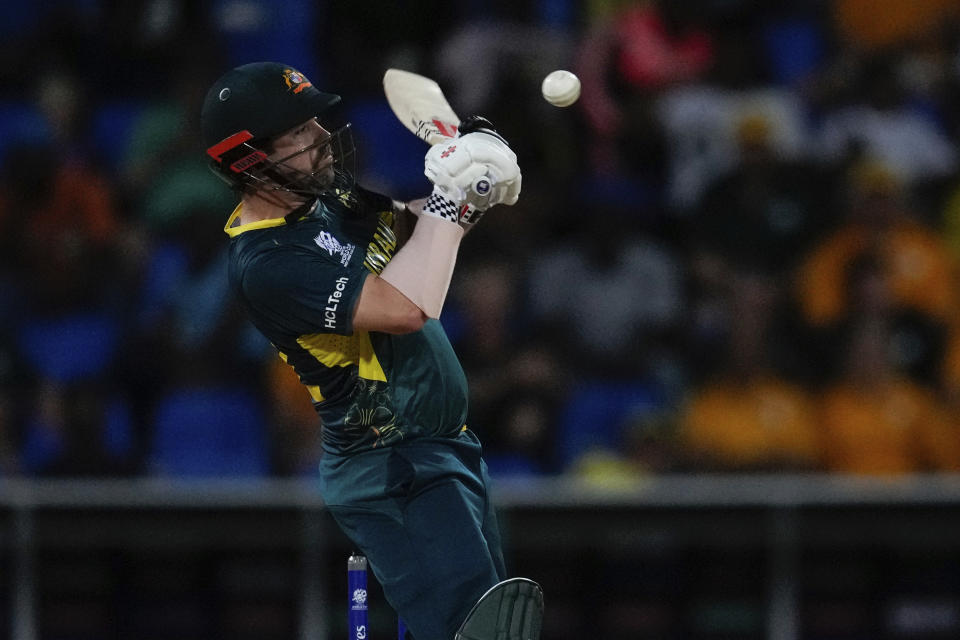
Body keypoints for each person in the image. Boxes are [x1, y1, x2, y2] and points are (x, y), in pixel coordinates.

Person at [200, 61, 541, 640]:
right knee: (482, 633)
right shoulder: (268, 264)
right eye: (298, 134)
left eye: (315, 122)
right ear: (249, 160)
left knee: (492, 629)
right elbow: (405, 306)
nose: (320, 138)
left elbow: (414, 235)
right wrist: (452, 201)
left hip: (443, 447)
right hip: (392, 466)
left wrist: (474, 179)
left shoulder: (323, 202)